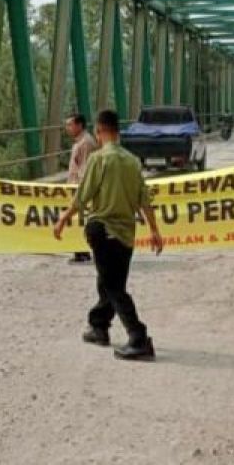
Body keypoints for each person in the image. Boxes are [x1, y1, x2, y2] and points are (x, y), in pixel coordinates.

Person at [53, 108, 164, 361]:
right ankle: (99, 326)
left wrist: (62, 218)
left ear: (99, 131)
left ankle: (138, 336)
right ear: (118, 130)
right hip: (126, 233)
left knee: (113, 285)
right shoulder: (132, 161)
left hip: (102, 228)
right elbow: (144, 200)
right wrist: (155, 231)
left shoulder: (99, 159)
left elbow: (83, 196)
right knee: (110, 281)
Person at [64, 113, 98, 264]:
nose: (67, 128)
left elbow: (84, 170)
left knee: (82, 220)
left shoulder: (85, 143)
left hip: (80, 188)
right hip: (75, 186)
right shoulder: (80, 142)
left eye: (70, 125)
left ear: (79, 125)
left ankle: (83, 251)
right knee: (79, 221)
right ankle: (80, 251)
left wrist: (80, 191)